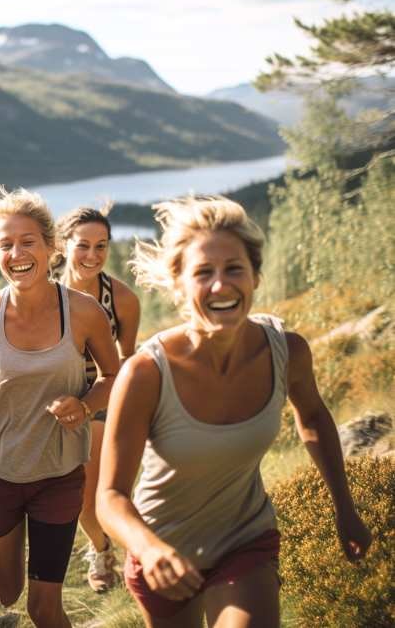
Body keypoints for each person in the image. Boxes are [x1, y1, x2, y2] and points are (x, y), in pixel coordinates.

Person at [96, 196, 371, 628]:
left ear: (256, 276)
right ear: (179, 285)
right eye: (203, 273)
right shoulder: (146, 374)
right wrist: (150, 549)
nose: (221, 285)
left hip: (246, 538)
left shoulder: (287, 351)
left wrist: (345, 507)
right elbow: (109, 498)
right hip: (163, 551)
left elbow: (314, 418)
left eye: (234, 269)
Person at [0, 187, 119, 628]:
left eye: (28, 241)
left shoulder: (86, 312)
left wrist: (86, 406)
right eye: (5, 244)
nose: (17, 253)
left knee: (43, 608)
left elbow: (113, 376)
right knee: (6, 593)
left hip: (59, 473)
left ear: (51, 247)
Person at [55, 206, 140, 593]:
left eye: (101, 246)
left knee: (86, 501)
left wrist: (95, 401)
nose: (92, 255)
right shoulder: (42, 291)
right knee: (59, 498)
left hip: (102, 399)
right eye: (83, 245)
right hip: (50, 400)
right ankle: (100, 544)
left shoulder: (121, 299)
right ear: (63, 245)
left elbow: (127, 363)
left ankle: (102, 550)